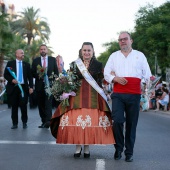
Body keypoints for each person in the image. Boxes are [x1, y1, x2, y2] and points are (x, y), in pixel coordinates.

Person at [50, 42, 115, 158]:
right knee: (76, 121)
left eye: (89, 50)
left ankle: (86, 147)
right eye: (84, 50)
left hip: (93, 96)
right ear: (81, 51)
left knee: (91, 121)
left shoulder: (98, 64)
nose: (86, 52)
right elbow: (70, 80)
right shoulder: (74, 64)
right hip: (77, 96)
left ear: (93, 52)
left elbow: (100, 81)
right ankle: (78, 147)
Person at [104, 31, 152, 162]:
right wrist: (115, 78)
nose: (122, 41)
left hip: (134, 95)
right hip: (118, 94)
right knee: (118, 121)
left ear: (131, 41)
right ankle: (118, 148)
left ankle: (129, 152)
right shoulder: (114, 56)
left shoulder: (140, 56)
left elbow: (147, 74)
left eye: (125, 39)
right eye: (120, 40)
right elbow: (106, 73)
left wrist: (150, 84)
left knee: (131, 124)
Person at [4, 49, 33, 129]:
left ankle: (24, 122)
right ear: (16, 54)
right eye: (21, 53)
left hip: (23, 88)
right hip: (13, 87)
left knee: (23, 106)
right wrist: (12, 80)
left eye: (23, 53)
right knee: (14, 106)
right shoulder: (10, 64)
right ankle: (15, 123)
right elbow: (6, 75)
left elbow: (30, 77)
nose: (23, 54)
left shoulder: (26, 64)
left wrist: (31, 87)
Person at [31, 44, 58, 128]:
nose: (42, 50)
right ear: (40, 51)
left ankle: (48, 121)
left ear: (47, 50)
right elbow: (32, 73)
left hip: (50, 86)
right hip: (39, 85)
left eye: (44, 49)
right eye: (41, 49)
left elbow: (56, 73)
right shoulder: (36, 61)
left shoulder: (52, 60)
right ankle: (43, 121)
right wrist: (38, 76)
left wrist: (52, 79)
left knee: (48, 104)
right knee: (41, 104)